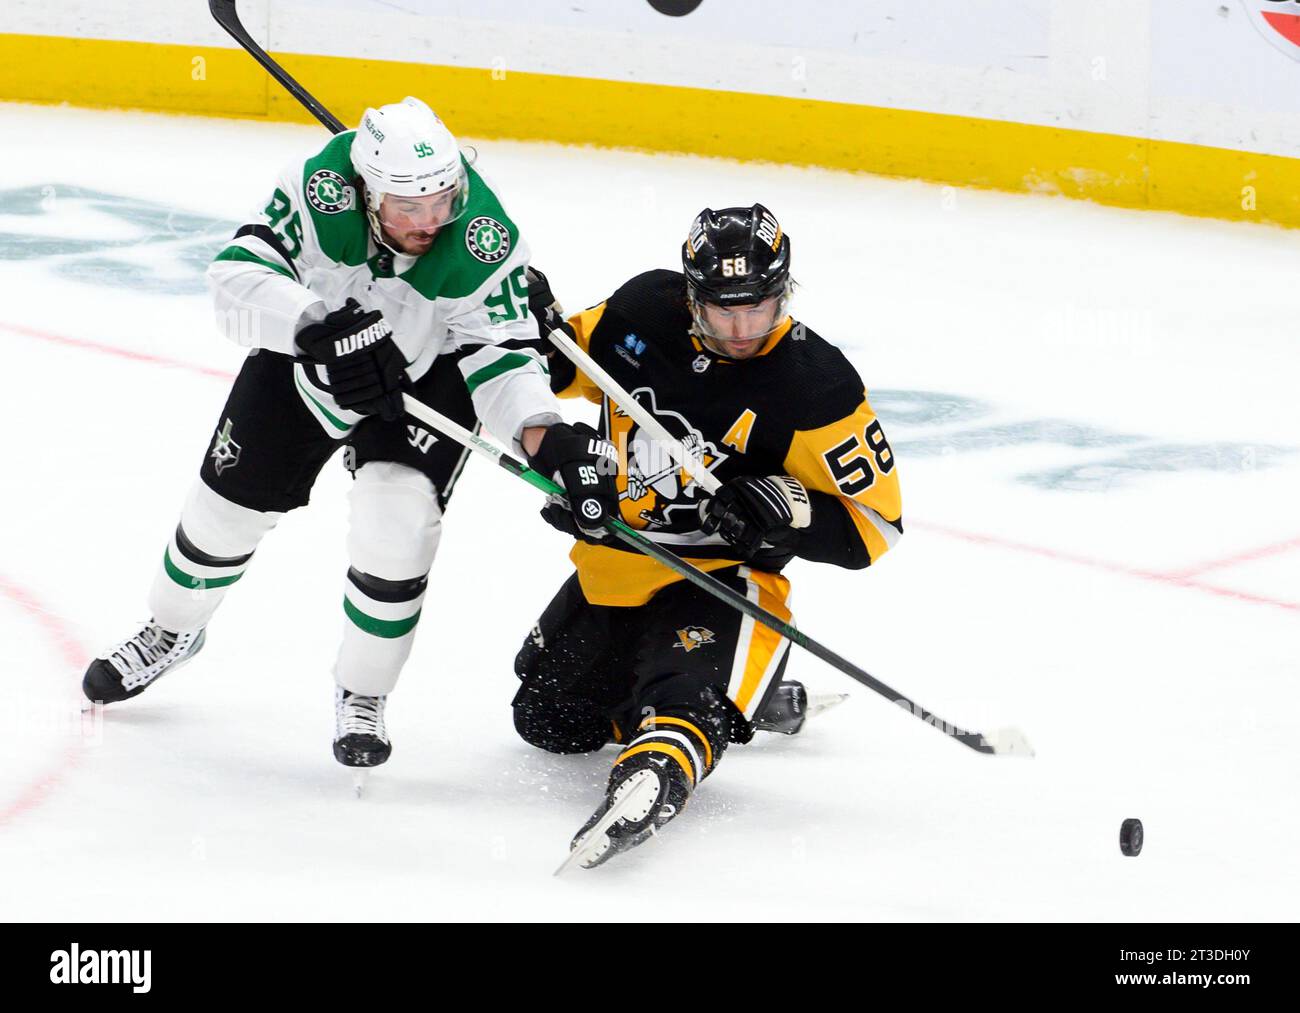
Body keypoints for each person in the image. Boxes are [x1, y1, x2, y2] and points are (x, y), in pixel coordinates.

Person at [81, 97, 617, 772]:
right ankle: (171, 630)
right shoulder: (316, 188)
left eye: (442, 200)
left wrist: (546, 434)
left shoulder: (484, 238)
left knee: (397, 521)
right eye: (407, 207)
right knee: (223, 513)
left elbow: (503, 360)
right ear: (366, 195)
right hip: (313, 354)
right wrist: (311, 325)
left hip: (426, 374)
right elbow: (233, 278)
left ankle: (363, 692)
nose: (429, 223)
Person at [516, 204, 903, 867]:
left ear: (786, 291)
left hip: (725, 579)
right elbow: (557, 369)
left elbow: (875, 529)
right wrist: (525, 320)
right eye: (723, 309)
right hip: (625, 564)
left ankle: (667, 760)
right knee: (548, 716)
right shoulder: (640, 311)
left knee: (682, 706)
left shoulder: (817, 386)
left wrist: (789, 504)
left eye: (760, 307)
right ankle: (753, 694)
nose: (742, 328)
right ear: (689, 293)